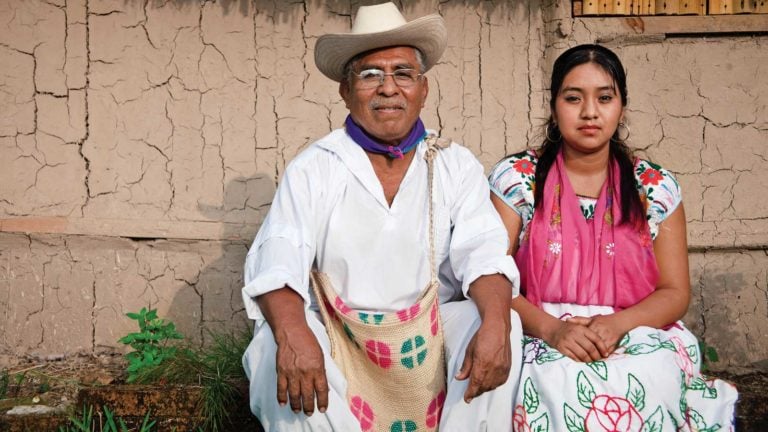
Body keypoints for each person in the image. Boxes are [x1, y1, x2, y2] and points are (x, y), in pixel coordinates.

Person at [241, 3, 522, 431]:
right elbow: (279, 256)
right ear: (345, 91)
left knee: (499, 324)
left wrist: (498, 322)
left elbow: (484, 255)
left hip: (427, 338)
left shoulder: (453, 164)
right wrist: (294, 333)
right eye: (371, 74)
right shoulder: (317, 167)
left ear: (423, 89)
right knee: (269, 347)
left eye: (403, 73)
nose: (388, 88)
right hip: (340, 337)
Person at [488, 44, 737, 431]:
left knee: (647, 380)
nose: (590, 112)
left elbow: (674, 292)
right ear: (554, 106)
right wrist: (553, 330)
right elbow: (491, 278)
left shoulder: (653, 186)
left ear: (622, 106)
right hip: (536, 330)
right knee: (556, 383)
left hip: (632, 329)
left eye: (604, 98)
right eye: (574, 98)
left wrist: (617, 325)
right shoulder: (518, 179)